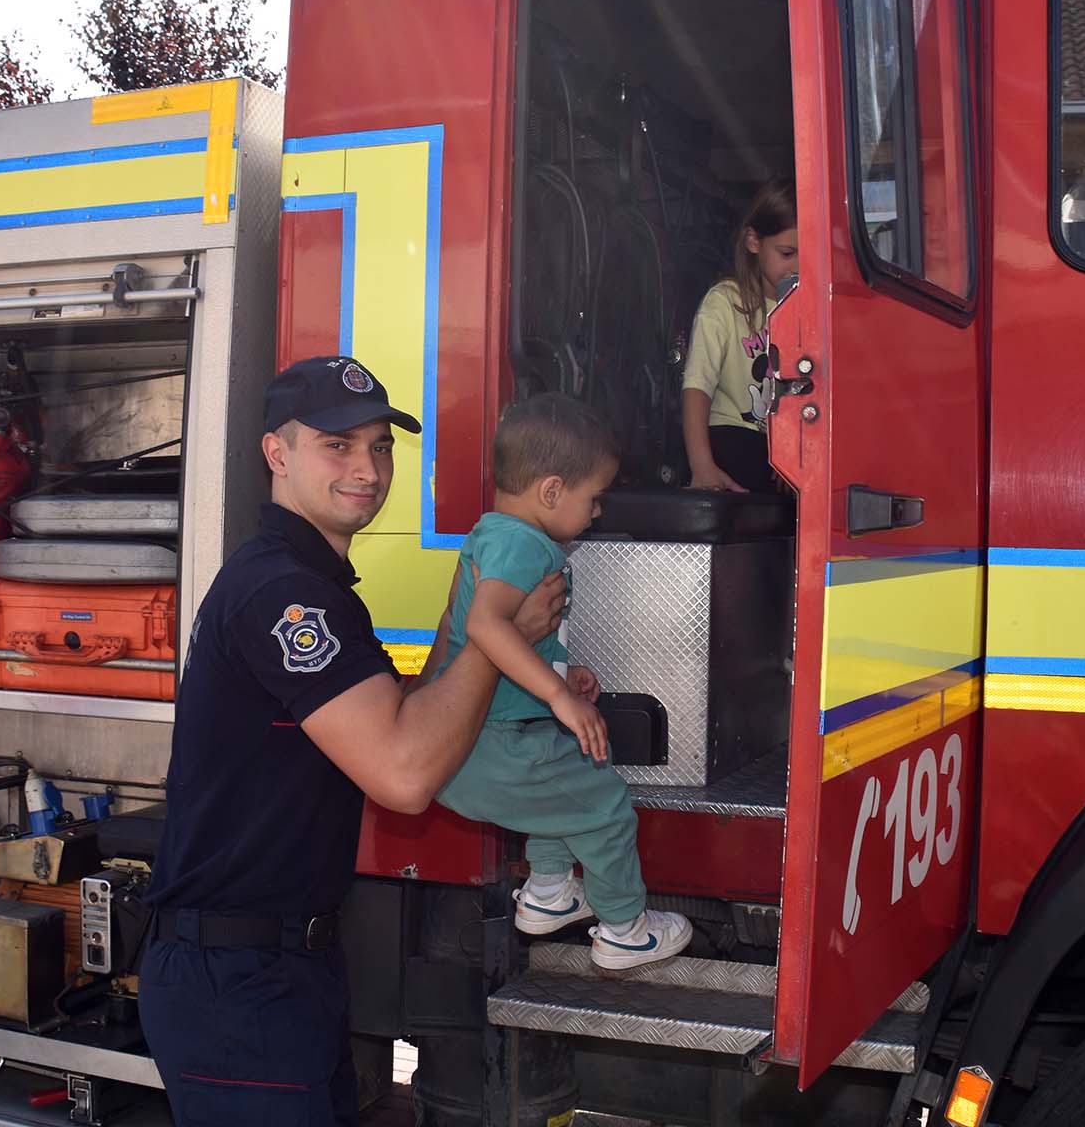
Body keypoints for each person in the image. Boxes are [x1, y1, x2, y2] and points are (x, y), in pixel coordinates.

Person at [139, 355, 566, 1126]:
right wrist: (497, 639)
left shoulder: (309, 584)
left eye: (380, 446)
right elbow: (403, 774)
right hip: (237, 980)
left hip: (278, 967)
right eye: (337, 446)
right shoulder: (284, 595)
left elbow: (402, 716)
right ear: (277, 454)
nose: (367, 469)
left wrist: (472, 616)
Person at [429, 393, 694, 970]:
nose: (595, 513)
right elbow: (485, 626)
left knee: (572, 771)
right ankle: (626, 929)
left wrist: (558, 676)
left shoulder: (496, 532)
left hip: (485, 734)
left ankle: (549, 893)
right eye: (593, 498)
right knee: (606, 807)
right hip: (495, 742)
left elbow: (504, 641)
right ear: (551, 491)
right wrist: (556, 696)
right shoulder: (522, 544)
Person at [681, 178, 799, 493]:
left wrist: (794, 454)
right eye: (788, 253)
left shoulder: (809, 310)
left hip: (782, 446)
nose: (798, 266)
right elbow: (697, 385)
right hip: (732, 436)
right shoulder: (725, 302)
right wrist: (702, 466)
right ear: (753, 242)